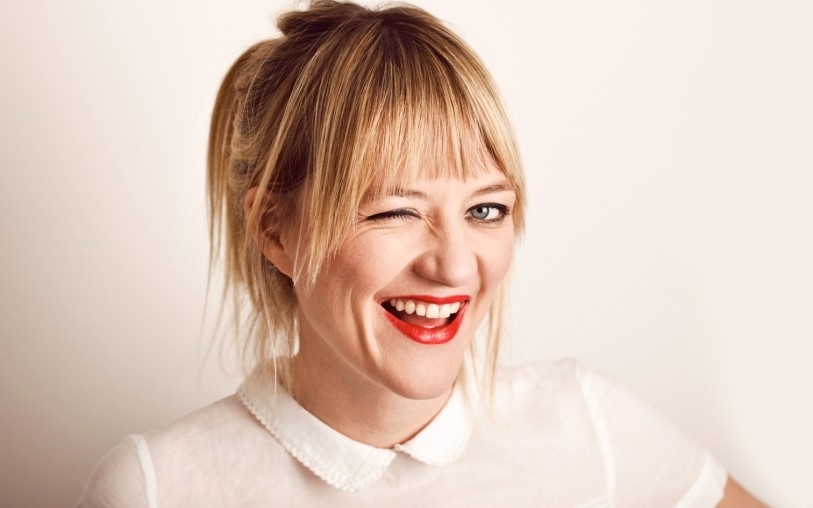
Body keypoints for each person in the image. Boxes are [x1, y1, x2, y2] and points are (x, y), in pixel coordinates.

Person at [77, 1, 764, 506]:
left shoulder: (588, 425)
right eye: (395, 212)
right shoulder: (156, 489)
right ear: (275, 230)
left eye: (485, 210)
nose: (456, 266)